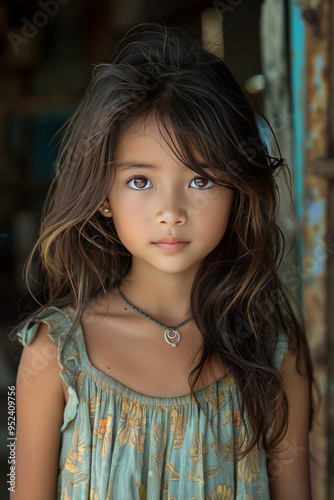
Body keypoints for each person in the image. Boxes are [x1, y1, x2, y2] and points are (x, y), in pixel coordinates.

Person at [11, 22, 314, 500]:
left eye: (201, 181)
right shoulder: (55, 356)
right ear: (103, 194)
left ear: (237, 190)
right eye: (139, 181)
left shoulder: (272, 357)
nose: (170, 212)